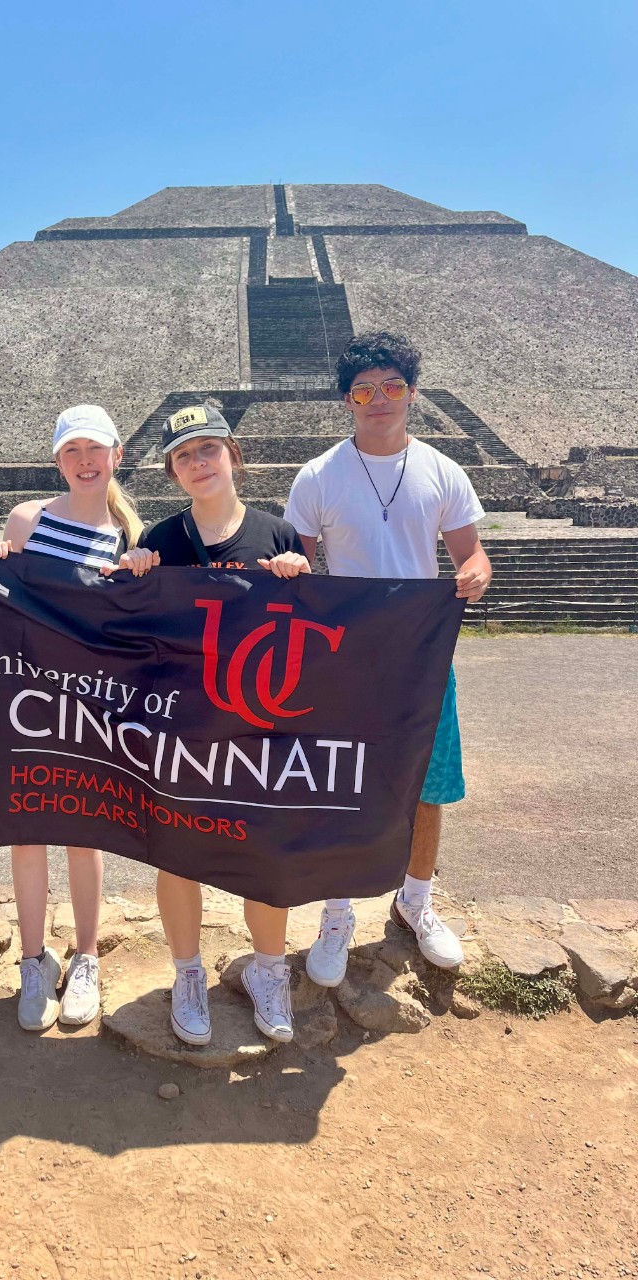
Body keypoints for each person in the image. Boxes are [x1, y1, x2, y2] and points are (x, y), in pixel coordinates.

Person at [283, 331, 492, 986]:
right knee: (342, 783)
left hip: (423, 656)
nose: (379, 400)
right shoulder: (318, 475)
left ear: (412, 394)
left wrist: (477, 574)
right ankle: (338, 910)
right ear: (348, 400)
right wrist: (290, 565)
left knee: (427, 788)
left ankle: (416, 902)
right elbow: (298, 558)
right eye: (365, 390)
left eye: (392, 387)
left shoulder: (441, 471)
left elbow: (471, 553)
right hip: (347, 659)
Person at [138, 403, 312, 1047]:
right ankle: (188, 974)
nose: (198, 463)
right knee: (178, 849)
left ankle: (269, 969)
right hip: (182, 722)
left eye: (208, 449)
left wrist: (300, 579)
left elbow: (310, 634)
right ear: (173, 472)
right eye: (184, 455)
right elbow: (133, 632)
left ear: (233, 456)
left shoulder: (278, 535)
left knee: (266, 849)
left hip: (260, 722)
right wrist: (133, 579)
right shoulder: (159, 542)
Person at [0, 405, 154, 1032]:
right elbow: (2, 599)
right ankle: (32, 959)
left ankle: (85, 957)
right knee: (28, 831)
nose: (85, 461)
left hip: (92, 700)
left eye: (96, 450)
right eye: (72, 451)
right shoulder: (30, 518)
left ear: (116, 457)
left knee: (85, 831)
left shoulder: (133, 537)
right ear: (58, 461)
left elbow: (137, 626)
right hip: (28, 695)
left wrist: (141, 577)